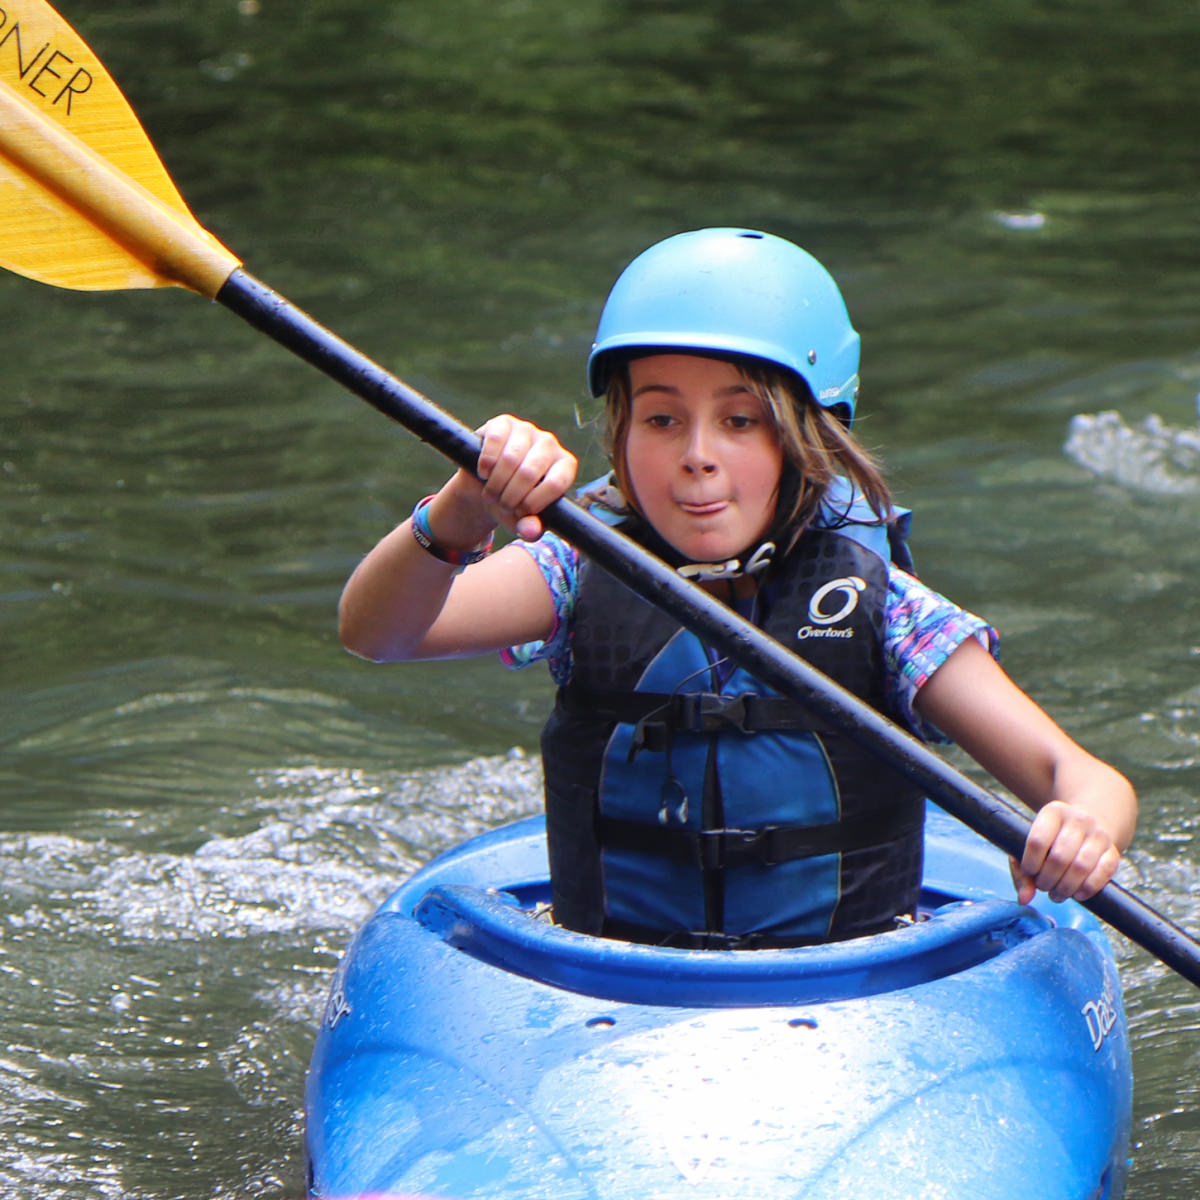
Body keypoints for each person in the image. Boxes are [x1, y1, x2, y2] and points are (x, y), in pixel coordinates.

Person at [339, 227, 1137, 949]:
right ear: (619, 433)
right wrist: (460, 509)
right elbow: (379, 633)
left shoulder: (882, 608)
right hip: (615, 977)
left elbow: (1084, 778)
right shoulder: (579, 567)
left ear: (811, 437)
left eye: (741, 420)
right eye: (660, 420)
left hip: (845, 985)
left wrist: (1084, 827)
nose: (697, 455)